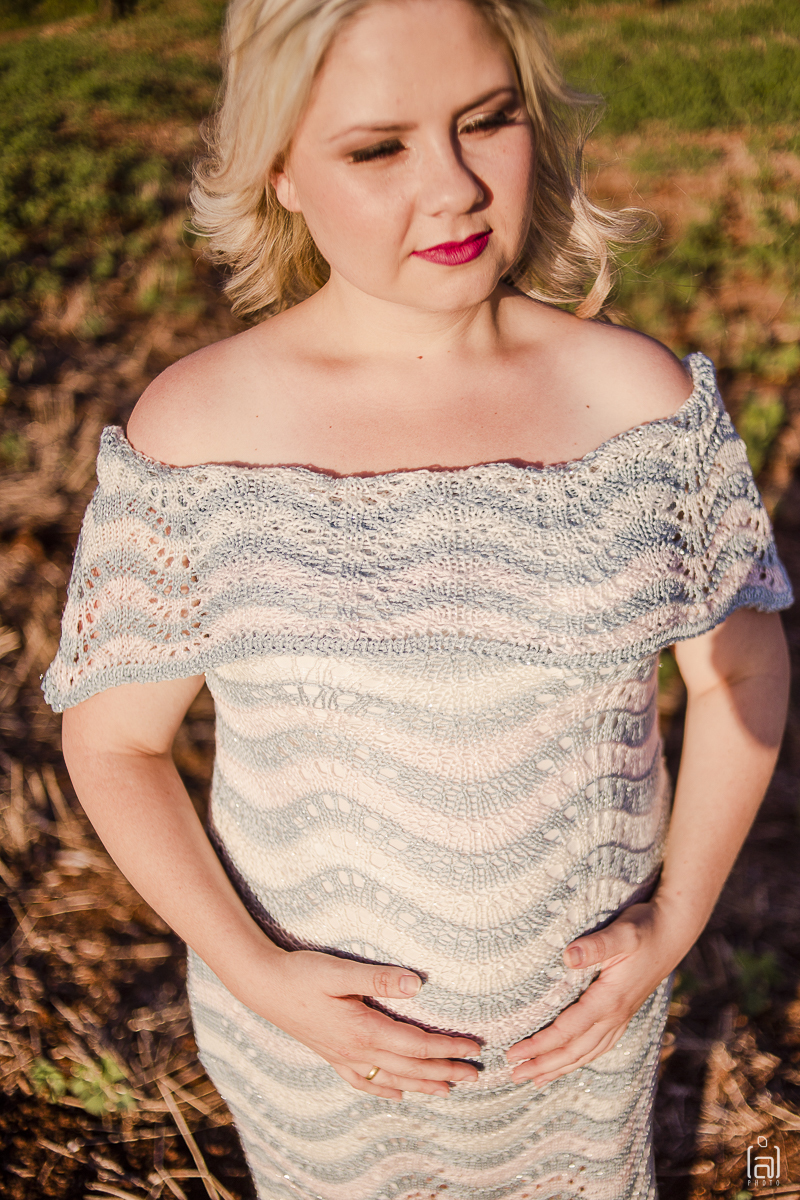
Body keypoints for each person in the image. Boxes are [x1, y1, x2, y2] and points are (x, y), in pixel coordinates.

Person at [42, 0, 792, 1196]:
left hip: (575, 1051)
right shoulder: (199, 430)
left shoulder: (636, 403)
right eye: (376, 147)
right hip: (322, 1060)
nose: (452, 189)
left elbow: (739, 670)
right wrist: (258, 974)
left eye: (485, 120)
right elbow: (115, 742)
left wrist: (678, 918)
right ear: (279, 169)